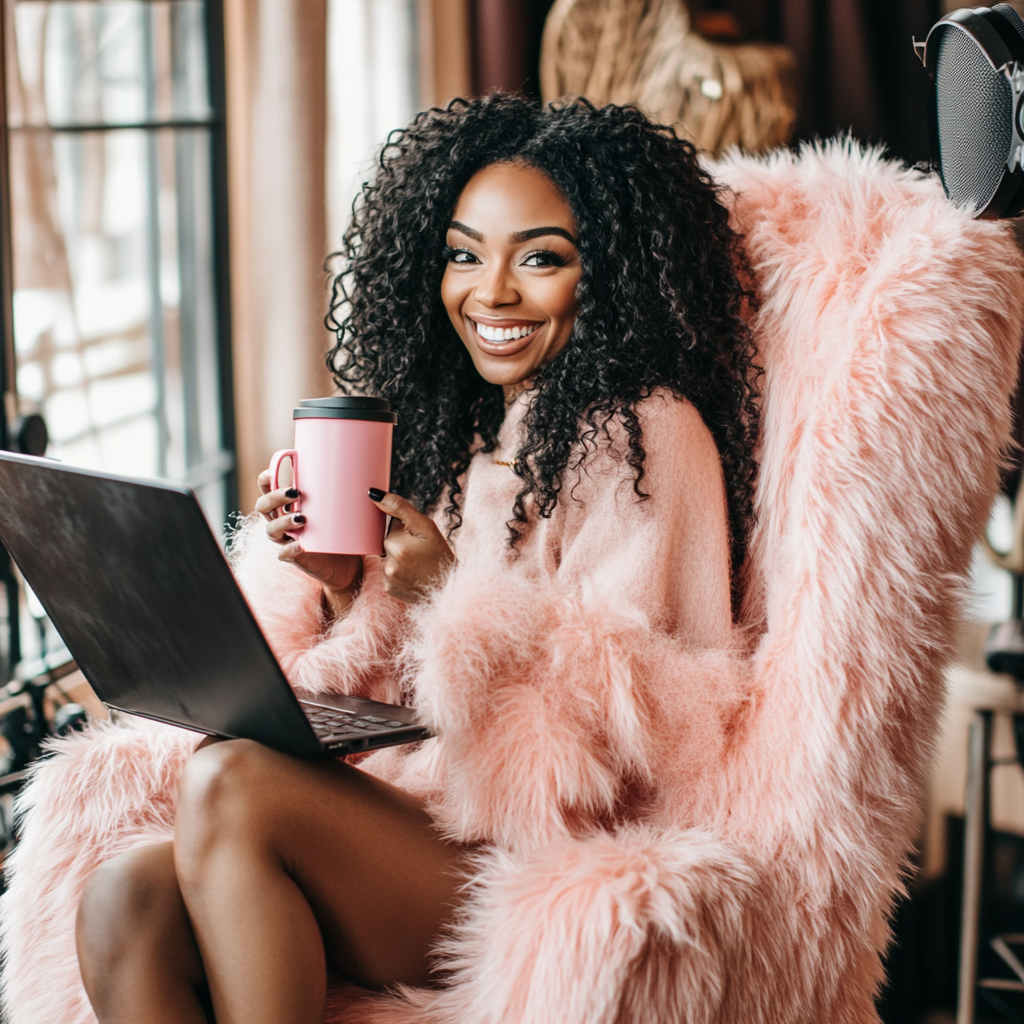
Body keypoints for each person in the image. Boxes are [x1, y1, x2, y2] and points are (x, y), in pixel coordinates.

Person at [73, 93, 760, 1024]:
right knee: (126, 897)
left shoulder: (652, 434)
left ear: (612, 275)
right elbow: (406, 693)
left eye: (542, 258)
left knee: (231, 782)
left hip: (535, 854)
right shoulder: (453, 423)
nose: (492, 292)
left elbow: (635, 737)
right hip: (408, 819)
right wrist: (347, 588)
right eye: (465, 253)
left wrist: (455, 594)